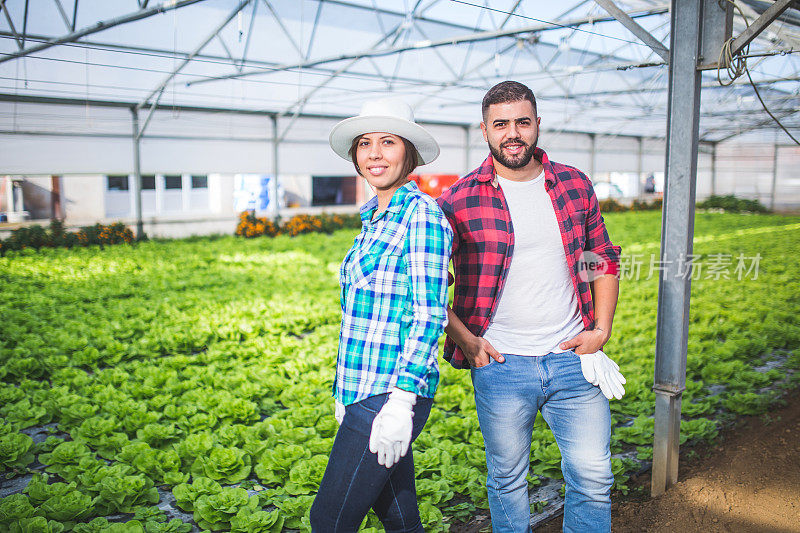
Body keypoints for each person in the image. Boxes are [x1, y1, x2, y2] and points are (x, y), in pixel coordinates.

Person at [436, 81, 625, 533]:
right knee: (506, 480)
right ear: (484, 130)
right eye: (501, 124)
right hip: (501, 365)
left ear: (538, 124)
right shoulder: (458, 200)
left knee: (594, 476)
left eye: (522, 121)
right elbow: (428, 285)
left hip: (572, 361)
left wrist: (601, 330)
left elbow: (601, 258)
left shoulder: (574, 184)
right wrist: (466, 339)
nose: (513, 133)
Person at [310, 98, 453, 532]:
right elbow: (360, 314)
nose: (374, 153)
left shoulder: (421, 215)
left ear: (407, 153)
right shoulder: (373, 218)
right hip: (361, 389)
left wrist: (402, 402)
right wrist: (344, 391)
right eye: (365, 144)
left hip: (390, 392)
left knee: (330, 520)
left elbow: (429, 314)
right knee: (397, 514)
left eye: (387, 142)